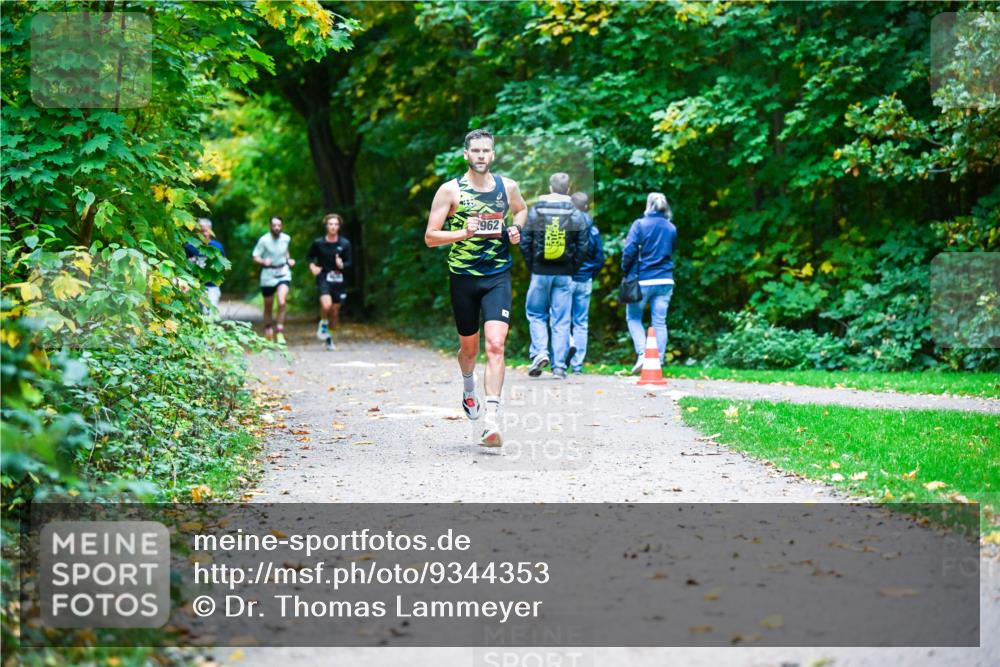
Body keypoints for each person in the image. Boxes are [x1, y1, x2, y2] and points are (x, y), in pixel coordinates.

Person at [424, 128, 527, 447]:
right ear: (466, 154)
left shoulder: (508, 187)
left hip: (497, 275)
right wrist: (462, 233)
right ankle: (469, 387)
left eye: (486, 151)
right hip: (463, 278)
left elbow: (521, 210)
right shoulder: (450, 191)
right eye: (476, 151)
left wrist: (516, 229)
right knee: (469, 350)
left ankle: (491, 421)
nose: (481, 155)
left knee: (495, 345)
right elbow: (430, 237)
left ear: (493, 154)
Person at [520, 173, 589, 380]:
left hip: (540, 272)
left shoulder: (536, 210)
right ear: (568, 190)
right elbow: (583, 246)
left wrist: (533, 265)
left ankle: (541, 352)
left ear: (550, 188)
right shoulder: (576, 214)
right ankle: (559, 367)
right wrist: (571, 268)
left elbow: (525, 242)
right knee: (561, 320)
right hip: (564, 274)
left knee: (536, 314)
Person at [621, 192, 677, 373]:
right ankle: (658, 360)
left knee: (633, 317)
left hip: (643, 279)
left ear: (648, 205)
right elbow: (672, 250)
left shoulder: (639, 225)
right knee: (660, 322)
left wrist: (625, 270)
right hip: (665, 279)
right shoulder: (671, 228)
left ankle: (642, 354)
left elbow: (629, 251)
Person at [567, 192, 604, 374]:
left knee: (560, 319)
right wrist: (590, 274)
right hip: (585, 279)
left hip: (566, 279)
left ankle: (569, 344)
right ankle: (578, 365)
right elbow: (599, 258)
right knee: (581, 322)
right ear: (587, 207)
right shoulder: (593, 230)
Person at [307, 213, 352, 350]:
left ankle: (328, 337)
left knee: (335, 313)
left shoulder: (345, 244)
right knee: (326, 306)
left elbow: (349, 262)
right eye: (330, 224)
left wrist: (341, 264)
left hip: (339, 281)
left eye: (336, 224)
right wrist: (313, 267)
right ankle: (323, 324)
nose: (333, 227)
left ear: (339, 227)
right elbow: (309, 257)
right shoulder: (318, 243)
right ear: (326, 226)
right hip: (324, 277)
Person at [252, 216, 295, 344]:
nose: (276, 228)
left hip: (283, 272)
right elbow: (255, 256)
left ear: (282, 226)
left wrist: (289, 260)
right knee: (268, 305)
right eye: (274, 225)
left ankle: (280, 331)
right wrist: (263, 261)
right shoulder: (264, 240)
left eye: (279, 225)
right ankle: (268, 328)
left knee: (282, 302)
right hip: (268, 274)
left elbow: (286, 252)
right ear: (270, 226)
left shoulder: (286, 238)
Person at [183, 218, 226, 311]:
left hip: (212, 286)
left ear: (210, 230)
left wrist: (196, 261)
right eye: (201, 231)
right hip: (194, 286)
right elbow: (185, 266)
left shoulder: (217, 247)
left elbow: (222, 266)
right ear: (197, 232)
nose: (204, 234)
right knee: (195, 313)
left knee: (210, 314)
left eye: (206, 231)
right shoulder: (189, 246)